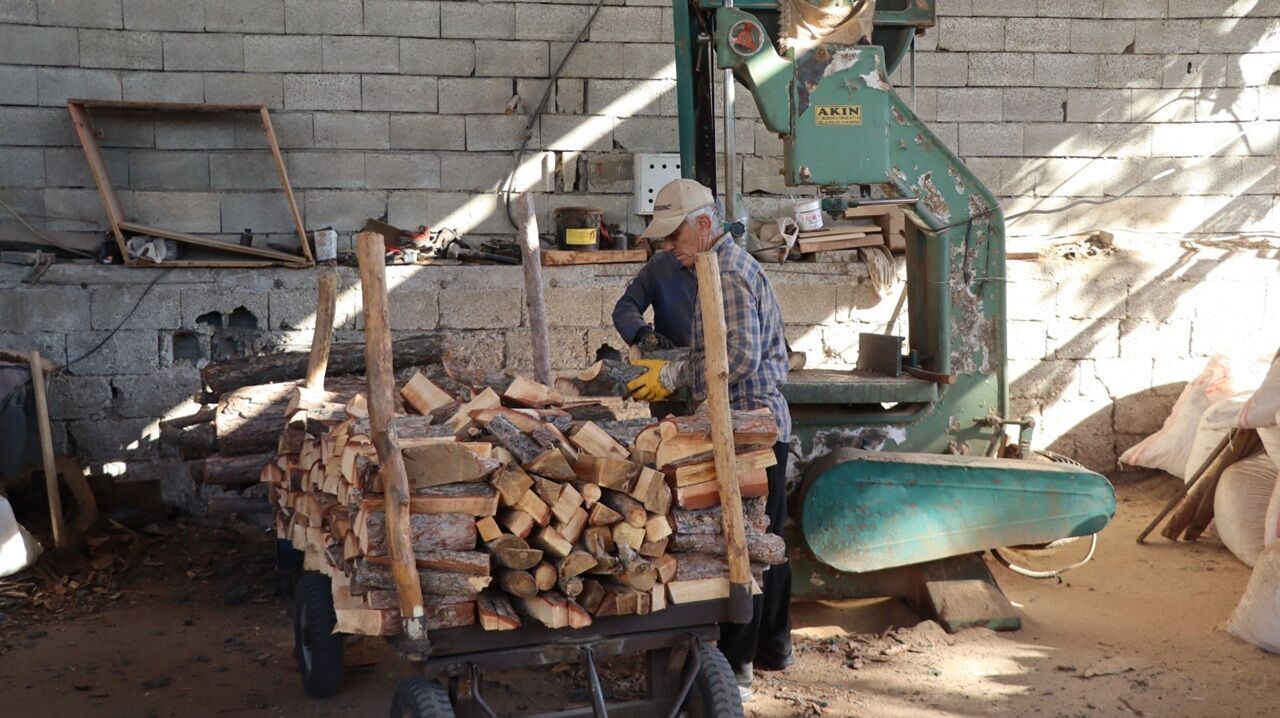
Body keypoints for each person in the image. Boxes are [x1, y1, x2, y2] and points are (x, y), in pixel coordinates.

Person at [625, 178, 793, 702]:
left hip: (749, 431)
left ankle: (738, 664)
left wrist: (677, 375)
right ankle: (772, 648)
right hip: (748, 427)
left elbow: (737, 357)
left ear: (703, 225)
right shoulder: (713, 268)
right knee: (765, 539)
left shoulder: (730, 274)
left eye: (675, 236)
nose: (670, 248)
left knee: (742, 544)